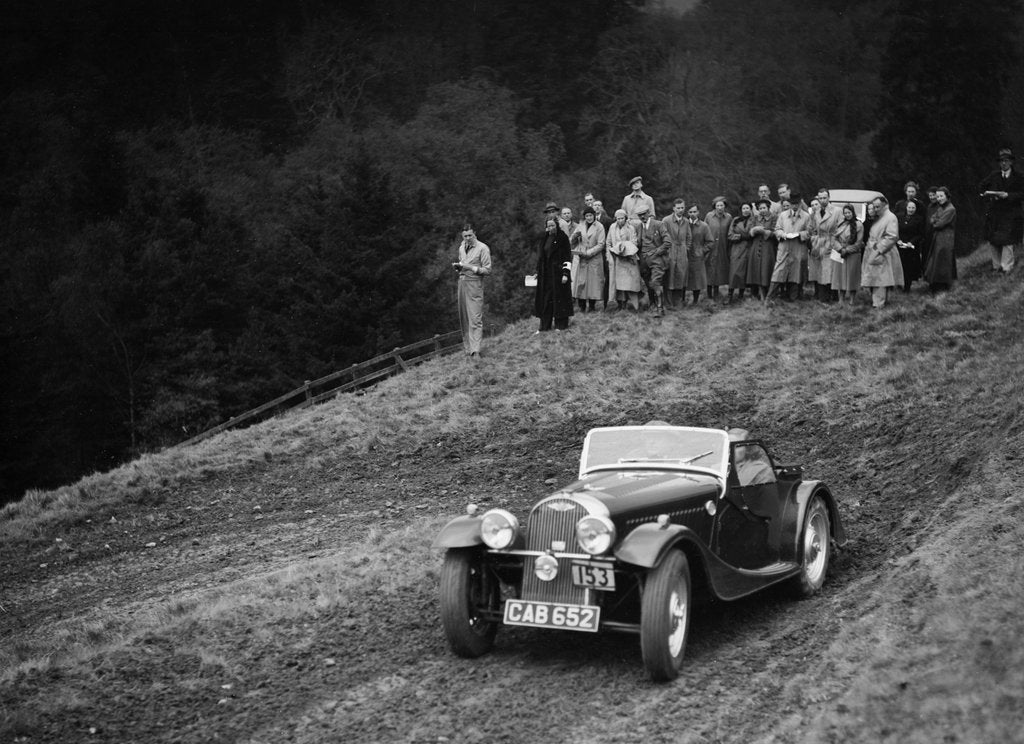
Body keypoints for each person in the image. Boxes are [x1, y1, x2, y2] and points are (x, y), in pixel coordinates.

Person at [979, 147, 1024, 274]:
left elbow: (1022, 194)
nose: (1003, 163)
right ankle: (996, 266)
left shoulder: (1019, 177)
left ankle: (1006, 268)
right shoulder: (994, 175)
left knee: (1008, 240)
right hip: (995, 212)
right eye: (1001, 161)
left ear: (1011, 162)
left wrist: (1008, 195)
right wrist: (987, 195)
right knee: (993, 240)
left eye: (1006, 160)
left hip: (1011, 213)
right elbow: (981, 187)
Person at [454, 223, 492, 358]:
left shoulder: (482, 248)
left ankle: (476, 350)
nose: (468, 238)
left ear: (474, 233)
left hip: (475, 284)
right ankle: (468, 349)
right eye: (465, 236)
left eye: (470, 235)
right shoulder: (461, 248)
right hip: (462, 282)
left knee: (475, 318)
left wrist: (470, 267)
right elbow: (462, 263)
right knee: (464, 317)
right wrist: (459, 267)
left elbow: (487, 270)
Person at [860, 196, 903, 309]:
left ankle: (878, 304)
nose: (875, 209)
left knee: (880, 279)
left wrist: (879, 248)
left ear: (885, 205)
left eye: (877, 207)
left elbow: (892, 236)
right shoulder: (879, 217)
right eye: (874, 207)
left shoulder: (890, 217)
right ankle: (879, 301)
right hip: (873, 249)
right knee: (875, 277)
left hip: (882, 252)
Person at [533, 216, 574, 331]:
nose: (550, 228)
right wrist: (538, 271)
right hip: (546, 274)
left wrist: (566, 273)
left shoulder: (563, 238)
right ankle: (544, 326)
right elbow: (541, 257)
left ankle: (561, 325)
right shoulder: (544, 238)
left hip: (558, 274)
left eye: (552, 225)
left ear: (557, 225)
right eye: (548, 226)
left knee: (560, 299)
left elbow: (567, 257)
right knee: (546, 300)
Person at [767, 196, 809, 303]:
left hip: (798, 246)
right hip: (784, 246)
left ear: (800, 204)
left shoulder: (806, 216)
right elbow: (777, 229)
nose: (794, 206)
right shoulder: (783, 215)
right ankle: (770, 298)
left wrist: (799, 234)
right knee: (778, 271)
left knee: (796, 271)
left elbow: (810, 231)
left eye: (797, 204)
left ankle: (792, 298)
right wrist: (783, 234)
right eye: (792, 204)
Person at [807, 188, 843, 302]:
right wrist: (814, 240)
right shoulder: (816, 213)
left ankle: (834, 297)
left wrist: (836, 242)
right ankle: (823, 297)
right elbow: (811, 228)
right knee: (821, 271)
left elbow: (841, 228)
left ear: (829, 198)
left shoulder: (837, 211)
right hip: (819, 244)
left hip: (832, 243)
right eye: (820, 198)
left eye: (824, 198)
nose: (822, 200)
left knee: (831, 271)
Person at [635, 204, 671, 316]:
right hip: (644, 261)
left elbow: (667, 242)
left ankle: (660, 308)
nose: (642, 217)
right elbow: (638, 244)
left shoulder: (658, 224)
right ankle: (652, 304)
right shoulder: (638, 227)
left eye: (644, 214)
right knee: (648, 283)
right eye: (640, 215)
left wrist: (657, 252)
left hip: (657, 260)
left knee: (655, 282)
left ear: (649, 213)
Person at [570, 207, 606, 312]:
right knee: (581, 282)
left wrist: (588, 253)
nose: (589, 218)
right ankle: (582, 307)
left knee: (593, 283)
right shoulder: (580, 226)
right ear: (584, 217)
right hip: (581, 258)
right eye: (587, 216)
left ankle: (591, 306)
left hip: (594, 258)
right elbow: (572, 242)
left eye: (590, 215)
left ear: (594, 215)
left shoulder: (599, 226)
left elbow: (601, 244)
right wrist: (574, 237)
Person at [605, 209, 642, 311]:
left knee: (631, 283)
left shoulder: (631, 228)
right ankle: (621, 304)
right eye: (618, 218)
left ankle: (635, 305)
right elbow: (608, 242)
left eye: (622, 218)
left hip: (629, 258)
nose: (620, 220)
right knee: (619, 283)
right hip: (617, 258)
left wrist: (625, 247)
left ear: (625, 218)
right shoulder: (612, 227)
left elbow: (634, 242)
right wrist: (610, 254)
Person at [923, 186, 957, 293]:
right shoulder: (941, 208)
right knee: (935, 260)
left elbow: (939, 224)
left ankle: (943, 285)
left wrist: (935, 222)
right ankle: (935, 284)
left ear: (947, 196)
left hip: (946, 238)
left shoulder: (950, 209)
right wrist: (935, 221)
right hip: (938, 237)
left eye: (941, 196)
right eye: (938, 196)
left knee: (943, 260)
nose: (939, 198)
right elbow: (932, 218)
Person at [830, 204, 864, 306]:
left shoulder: (859, 225)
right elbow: (834, 238)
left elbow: (859, 242)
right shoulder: (841, 224)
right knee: (840, 276)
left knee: (852, 276)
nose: (847, 215)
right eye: (845, 213)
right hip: (841, 253)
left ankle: (852, 300)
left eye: (849, 212)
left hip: (853, 254)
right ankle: (841, 299)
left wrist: (847, 250)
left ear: (853, 212)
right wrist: (840, 249)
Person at [663, 198, 691, 309]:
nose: (680, 210)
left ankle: (678, 301)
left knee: (681, 275)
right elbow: (662, 236)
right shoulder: (666, 220)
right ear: (674, 208)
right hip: (670, 250)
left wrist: (686, 248)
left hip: (682, 252)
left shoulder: (686, 221)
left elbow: (689, 237)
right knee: (670, 276)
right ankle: (668, 303)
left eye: (682, 208)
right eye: (678, 208)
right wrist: (666, 250)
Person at [746, 199, 776, 301]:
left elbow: (775, 231)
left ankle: (767, 294)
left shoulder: (774, 218)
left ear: (768, 208)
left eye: (764, 208)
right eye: (760, 208)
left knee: (766, 269)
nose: (762, 210)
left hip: (768, 247)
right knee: (755, 268)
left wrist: (765, 232)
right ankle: (755, 293)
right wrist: (753, 230)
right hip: (756, 246)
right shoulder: (754, 218)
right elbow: (749, 231)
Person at [705, 197, 732, 301]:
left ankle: (716, 293)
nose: (720, 208)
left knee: (719, 269)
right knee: (709, 269)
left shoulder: (728, 217)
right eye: (718, 206)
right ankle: (708, 295)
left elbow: (730, 232)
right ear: (714, 206)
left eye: (722, 205)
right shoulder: (709, 216)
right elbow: (704, 230)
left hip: (722, 247)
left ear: (725, 206)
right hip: (711, 247)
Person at [726, 202, 753, 303]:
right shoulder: (736, 220)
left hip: (749, 249)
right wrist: (740, 236)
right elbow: (730, 235)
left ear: (751, 209)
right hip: (737, 249)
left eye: (747, 208)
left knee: (744, 273)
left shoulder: (754, 220)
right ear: (741, 210)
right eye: (743, 208)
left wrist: (750, 236)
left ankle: (741, 295)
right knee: (734, 272)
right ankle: (730, 295)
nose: (745, 210)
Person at [896, 200, 925, 292]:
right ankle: (898, 284)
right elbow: (895, 230)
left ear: (916, 209)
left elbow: (920, 234)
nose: (911, 209)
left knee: (909, 268)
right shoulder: (899, 217)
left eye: (913, 208)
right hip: (900, 246)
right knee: (900, 266)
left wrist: (911, 242)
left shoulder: (919, 219)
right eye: (909, 207)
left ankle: (907, 287)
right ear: (906, 208)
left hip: (911, 247)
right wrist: (898, 239)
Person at [686, 204, 712, 304]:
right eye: (690, 212)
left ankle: (695, 301)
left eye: (694, 212)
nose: (692, 214)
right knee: (683, 277)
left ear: (698, 212)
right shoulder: (684, 224)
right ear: (687, 213)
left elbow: (710, 242)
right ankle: (682, 300)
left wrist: (701, 251)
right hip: (685, 255)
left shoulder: (704, 226)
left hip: (697, 256)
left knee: (696, 280)